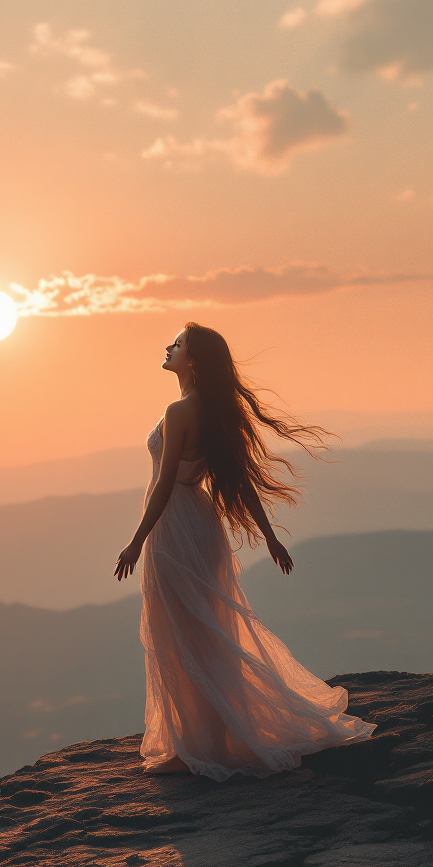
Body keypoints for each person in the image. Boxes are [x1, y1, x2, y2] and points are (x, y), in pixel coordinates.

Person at [114, 322, 375, 779]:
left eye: (177, 344)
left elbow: (161, 486)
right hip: (201, 525)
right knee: (208, 632)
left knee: (179, 632)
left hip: (174, 526)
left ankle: (196, 746)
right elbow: (240, 481)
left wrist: (136, 541)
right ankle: (206, 740)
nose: (169, 347)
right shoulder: (212, 410)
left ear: (192, 360)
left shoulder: (179, 412)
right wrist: (270, 537)